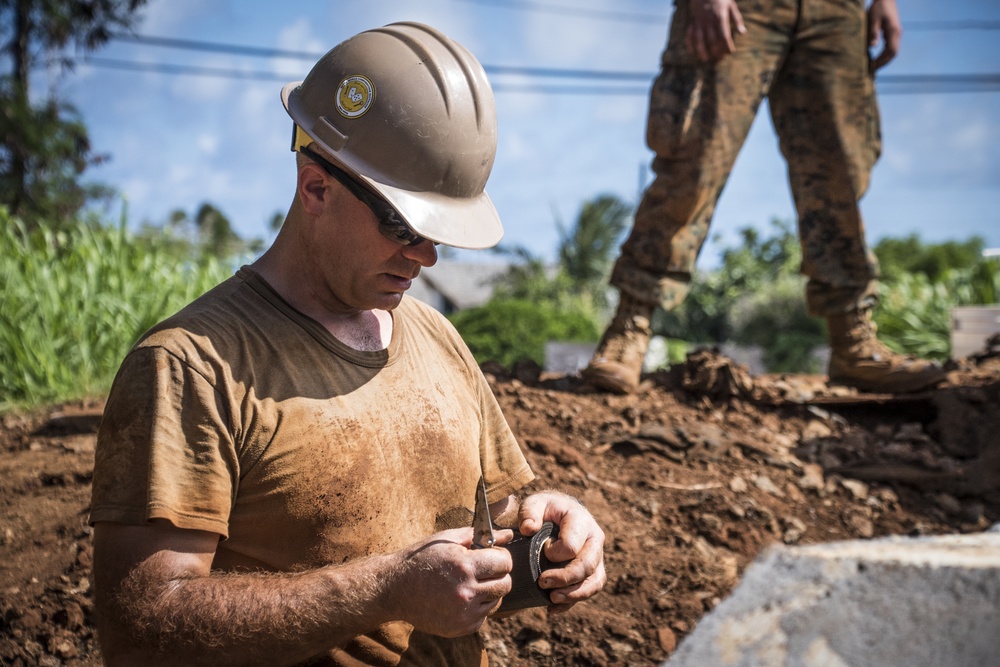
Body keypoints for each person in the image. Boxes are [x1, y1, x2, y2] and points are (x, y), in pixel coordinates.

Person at [90, 22, 605, 666]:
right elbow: (143, 624)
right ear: (316, 187)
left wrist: (546, 535)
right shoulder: (192, 368)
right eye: (404, 225)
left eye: (437, 232)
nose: (426, 256)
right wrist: (386, 590)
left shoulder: (437, 338)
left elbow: (484, 534)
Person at [582, 0, 946, 395]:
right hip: (742, 8)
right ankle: (629, 328)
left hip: (837, 10)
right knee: (696, 159)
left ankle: (853, 340)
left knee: (840, 175)